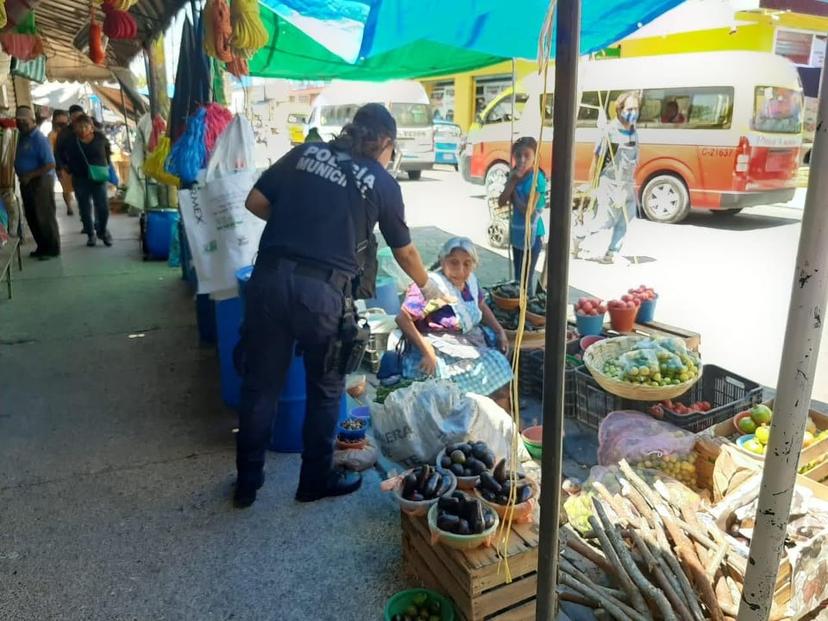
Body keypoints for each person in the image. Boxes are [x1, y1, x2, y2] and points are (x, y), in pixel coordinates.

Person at [235, 103, 440, 508]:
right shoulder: (381, 181)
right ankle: (313, 480)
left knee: (261, 387)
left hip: (270, 280)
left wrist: (296, 224)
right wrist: (427, 285)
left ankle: (246, 484)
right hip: (323, 295)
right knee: (325, 389)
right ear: (386, 143)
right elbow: (405, 250)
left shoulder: (304, 153)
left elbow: (255, 201)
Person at [396, 237, 512, 403]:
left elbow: (481, 305)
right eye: (453, 262)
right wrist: (427, 351)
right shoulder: (431, 287)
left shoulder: (471, 281)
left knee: (501, 366)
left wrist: (499, 330)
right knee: (462, 396)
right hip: (440, 347)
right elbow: (402, 319)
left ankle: (498, 414)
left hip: (468, 341)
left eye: (467, 263)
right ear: (442, 262)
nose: (460, 270)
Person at [574, 91, 640, 264]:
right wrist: (592, 186)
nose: (633, 112)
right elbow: (597, 159)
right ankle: (577, 236)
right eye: (630, 108)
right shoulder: (610, 131)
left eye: (636, 108)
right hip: (609, 184)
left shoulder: (634, 132)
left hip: (626, 184)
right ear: (620, 109)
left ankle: (612, 253)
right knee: (604, 221)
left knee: (626, 218)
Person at [497, 137, 547, 293]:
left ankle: (527, 311)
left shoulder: (537, 178)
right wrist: (512, 182)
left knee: (526, 279)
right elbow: (501, 202)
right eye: (518, 156)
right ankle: (517, 312)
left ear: (535, 157)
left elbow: (527, 210)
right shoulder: (513, 176)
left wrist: (513, 196)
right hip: (517, 233)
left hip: (533, 235)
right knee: (518, 278)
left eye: (527, 156)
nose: (522, 160)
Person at [14, 106, 60, 259]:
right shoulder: (22, 136)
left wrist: (30, 175)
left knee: (44, 215)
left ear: (32, 120)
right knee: (32, 216)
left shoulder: (39, 138)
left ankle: (52, 249)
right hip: (26, 182)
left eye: (24, 121)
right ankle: (42, 246)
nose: (21, 124)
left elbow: (50, 164)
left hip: (40, 181)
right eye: (18, 121)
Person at [60, 114, 113, 247]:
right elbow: (60, 153)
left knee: (103, 207)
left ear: (92, 127)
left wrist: (107, 164)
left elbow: (107, 151)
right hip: (80, 178)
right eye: (79, 126)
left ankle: (102, 230)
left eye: (86, 126)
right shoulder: (70, 141)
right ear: (74, 128)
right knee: (84, 208)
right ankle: (90, 234)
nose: (83, 129)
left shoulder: (100, 138)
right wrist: (65, 167)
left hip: (98, 178)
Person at [48, 110, 74, 216]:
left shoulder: (72, 132)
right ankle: (69, 206)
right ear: (54, 122)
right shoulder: (52, 135)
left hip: (74, 163)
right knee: (66, 188)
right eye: (59, 124)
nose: (62, 126)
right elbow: (51, 152)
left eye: (64, 124)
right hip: (61, 165)